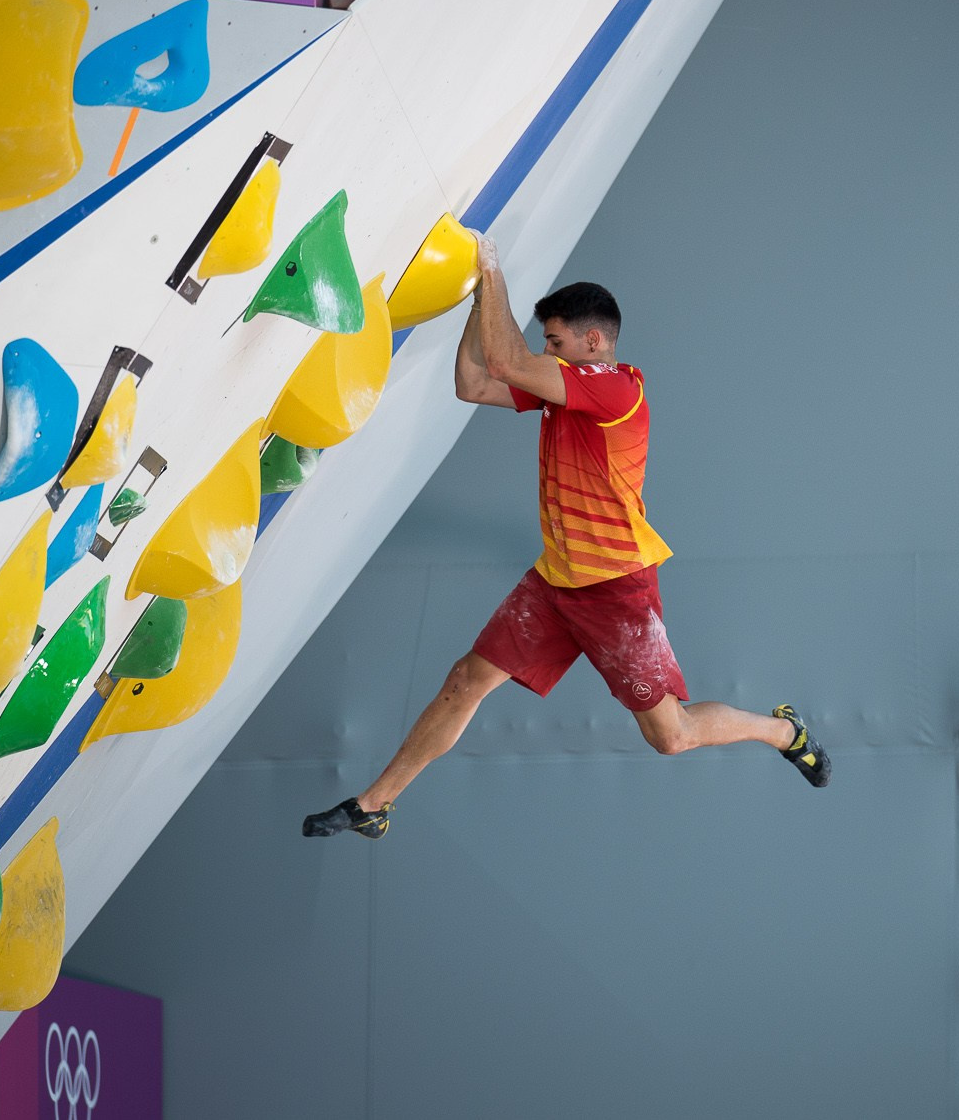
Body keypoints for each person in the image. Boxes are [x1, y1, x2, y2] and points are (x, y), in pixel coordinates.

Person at [304, 234, 829, 840]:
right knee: (465, 680)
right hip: (557, 581)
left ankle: (784, 732)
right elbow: (474, 383)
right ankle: (374, 805)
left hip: (616, 589)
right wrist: (479, 299)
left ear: (594, 341)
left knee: (671, 737)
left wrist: (492, 271)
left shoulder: (614, 390)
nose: (546, 351)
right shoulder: (563, 391)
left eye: (554, 341)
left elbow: (503, 362)